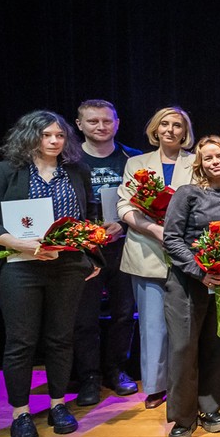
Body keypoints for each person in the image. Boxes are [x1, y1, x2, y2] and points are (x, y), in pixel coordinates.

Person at [0, 111, 101, 437]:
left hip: (67, 266)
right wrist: (20, 243)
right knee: (22, 342)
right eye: (47, 135)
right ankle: (20, 413)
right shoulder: (7, 170)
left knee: (61, 338)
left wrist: (90, 253)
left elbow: (88, 217)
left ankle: (59, 405)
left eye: (59, 135)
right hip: (20, 266)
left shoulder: (77, 170)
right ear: (30, 136)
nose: (55, 141)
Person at [161, 136, 220, 437]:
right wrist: (199, 271)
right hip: (188, 284)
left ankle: (211, 408)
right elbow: (172, 238)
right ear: (200, 163)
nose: (214, 161)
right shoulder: (187, 194)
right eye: (208, 157)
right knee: (183, 350)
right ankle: (182, 419)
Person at [117, 106, 196, 409]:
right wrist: (156, 230)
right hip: (146, 249)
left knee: (186, 323)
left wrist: (177, 234)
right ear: (155, 128)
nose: (171, 130)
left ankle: (184, 381)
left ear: (184, 132)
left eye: (177, 125)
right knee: (151, 324)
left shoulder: (196, 160)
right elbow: (125, 207)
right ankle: (154, 386)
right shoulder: (136, 163)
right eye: (165, 124)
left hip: (187, 252)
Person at [71, 99, 141, 405]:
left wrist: (124, 226)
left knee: (124, 313)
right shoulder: (68, 160)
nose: (101, 127)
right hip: (82, 251)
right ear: (79, 125)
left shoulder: (133, 159)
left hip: (124, 246)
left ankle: (117, 370)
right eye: (93, 121)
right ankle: (89, 378)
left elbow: (147, 204)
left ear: (117, 123)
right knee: (84, 318)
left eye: (107, 121)